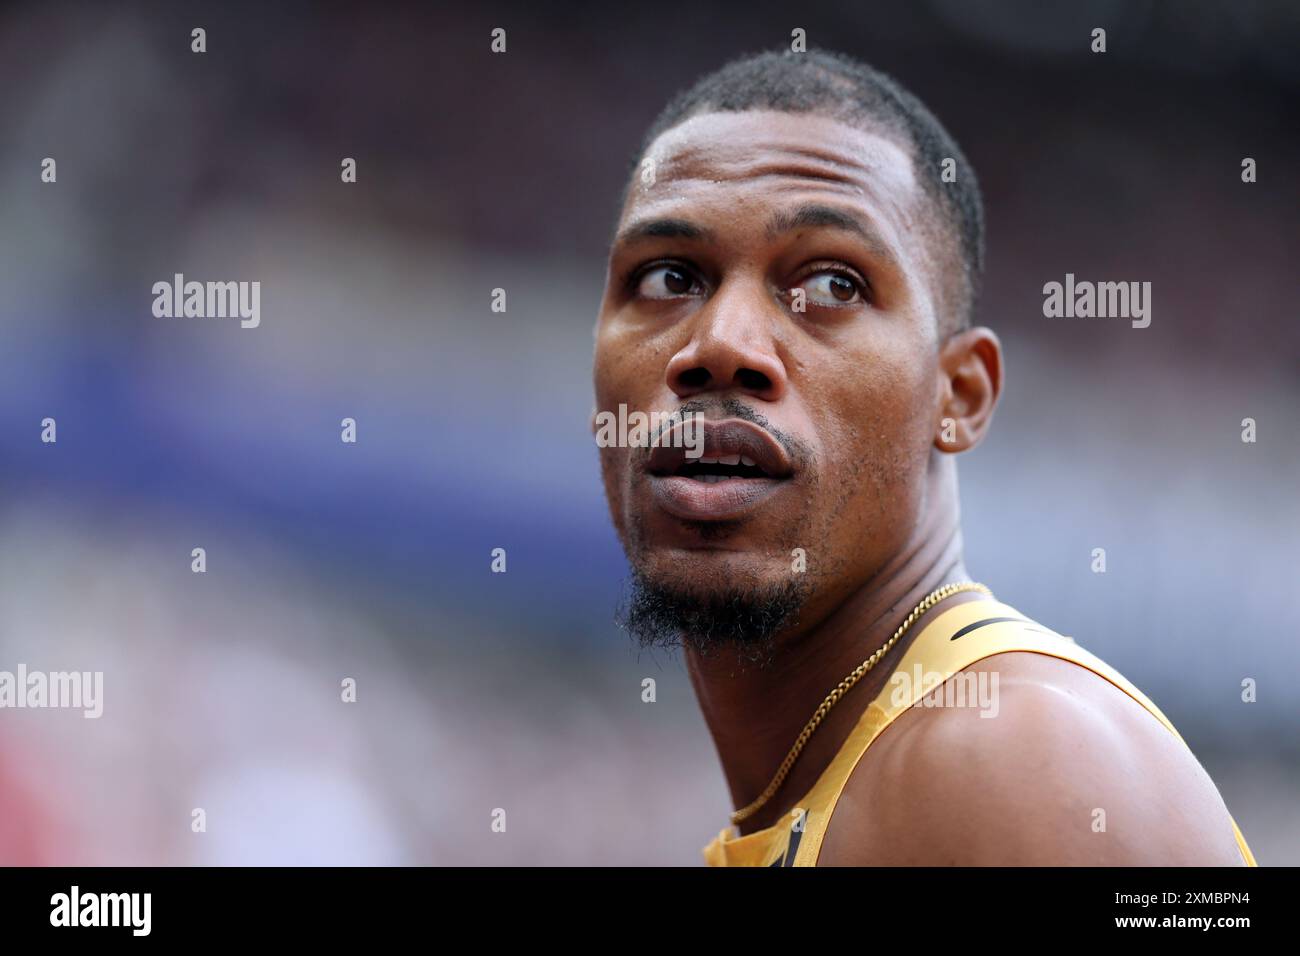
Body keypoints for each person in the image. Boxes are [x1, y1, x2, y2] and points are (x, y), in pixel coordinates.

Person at [590, 49, 1256, 866]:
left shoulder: (1022, 759)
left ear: (960, 395)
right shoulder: (825, 795)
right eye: (667, 276)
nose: (720, 346)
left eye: (832, 285)